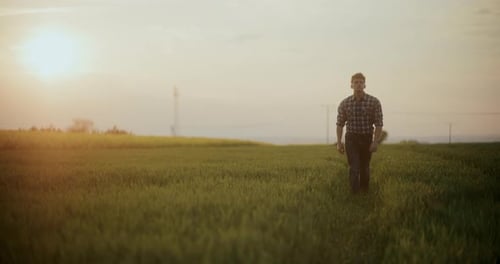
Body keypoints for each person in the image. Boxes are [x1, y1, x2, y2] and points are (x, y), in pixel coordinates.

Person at [336, 72, 383, 193]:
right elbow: (340, 124)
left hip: (367, 137)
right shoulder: (345, 103)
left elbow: (378, 124)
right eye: (355, 82)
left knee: (364, 167)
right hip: (351, 138)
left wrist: (375, 142)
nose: (358, 85)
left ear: (365, 85)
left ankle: (364, 192)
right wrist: (339, 142)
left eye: (361, 82)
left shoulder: (374, 102)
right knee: (354, 167)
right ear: (351, 85)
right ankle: (354, 194)